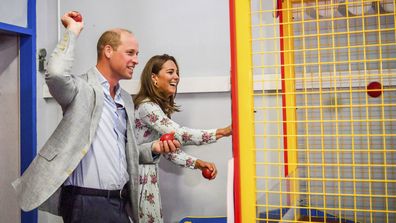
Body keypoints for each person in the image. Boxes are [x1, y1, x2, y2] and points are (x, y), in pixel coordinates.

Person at [12, 11, 180, 223]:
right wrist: (72, 31)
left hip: (120, 202)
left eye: (137, 54)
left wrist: (152, 149)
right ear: (108, 51)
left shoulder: (126, 99)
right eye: (130, 53)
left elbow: (127, 151)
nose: (136, 61)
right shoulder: (81, 89)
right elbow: (54, 73)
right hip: (86, 202)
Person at [133, 54, 232, 222]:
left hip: (148, 179)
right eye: (170, 72)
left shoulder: (155, 108)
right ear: (154, 78)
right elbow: (180, 134)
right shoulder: (147, 107)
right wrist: (222, 132)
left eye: (177, 73)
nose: (176, 77)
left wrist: (198, 164)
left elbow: (168, 151)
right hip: (139, 180)